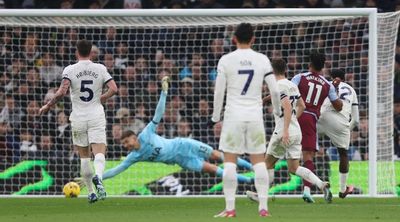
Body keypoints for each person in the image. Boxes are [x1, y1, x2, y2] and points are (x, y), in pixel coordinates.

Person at [101, 77, 253, 184]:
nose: (126, 145)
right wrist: (97, 177)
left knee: (217, 155)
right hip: (182, 160)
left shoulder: (145, 134)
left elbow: (158, 114)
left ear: (134, 137)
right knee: (214, 170)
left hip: (183, 144)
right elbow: (116, 170)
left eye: (127, 141)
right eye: (124, 145)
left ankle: (251, 167)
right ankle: (248, 180)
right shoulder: (134, 156)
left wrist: (164, 93)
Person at [212, 23, 281, 218]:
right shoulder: (262, 60)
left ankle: (230, 208)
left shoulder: (226, 60)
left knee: (230, 162)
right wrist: (276, 111)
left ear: (234, 38)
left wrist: (216, 116)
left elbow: (219, 91)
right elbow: (275, 90)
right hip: (254, 116)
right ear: (253, 39)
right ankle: (263, 207)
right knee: (259, 161)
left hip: (233, 115)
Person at [39, 39, 118, 203]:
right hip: (96, 115)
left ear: (77, 52)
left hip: (78, 117)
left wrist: (48, 105)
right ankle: (99, 177)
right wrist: (100, 99)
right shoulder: (100, 68)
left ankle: (90, 192)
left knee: (83, 157)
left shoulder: (70, 69)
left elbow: (61, 92)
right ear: (91, 52)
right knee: (99, 152)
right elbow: (114, 89)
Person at [246, 59, 332, 203]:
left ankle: (260, 194)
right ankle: (321, 184)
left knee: (266, 164)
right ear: (285, 70)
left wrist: (285, 129)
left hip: (283, 131)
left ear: (272, 71)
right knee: (294, 168)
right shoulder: (291, 85)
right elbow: (302, 106)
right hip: (296, 131)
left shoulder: (277, 86)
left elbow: (286, 106)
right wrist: (291, 119)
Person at [291, 51, 342, 203]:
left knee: (277, 153)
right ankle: (307, 191)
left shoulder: (300, 77)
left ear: (310, 64)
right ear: (323, 66)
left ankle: (260, 189)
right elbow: (338, 106)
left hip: (295, 116)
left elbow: (288, 92)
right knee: (308, 156)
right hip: (310, 119)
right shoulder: (327, 85)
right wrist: (334, 89)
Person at [317, 69, 359, 198]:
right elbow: (356, 120)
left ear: (331, 77)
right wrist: (346, 130)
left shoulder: (326, 85)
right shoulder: (351, 90)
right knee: (343, 153)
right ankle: (342, 190)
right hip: (340, 123)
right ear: (344, 77)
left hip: (321, 117)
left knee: (306, 147)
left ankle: (309, 186)